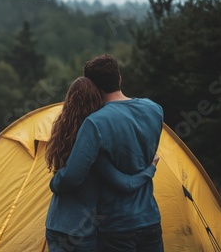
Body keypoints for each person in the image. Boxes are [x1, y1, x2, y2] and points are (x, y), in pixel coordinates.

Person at [50, 55, 164, 252]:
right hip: (150, 218)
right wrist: (150, 169)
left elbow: (74, 175)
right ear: (119, 78)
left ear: (91, 86)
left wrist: (55, 181)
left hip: (117, 224)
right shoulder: (155, 109)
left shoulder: (95, 123)